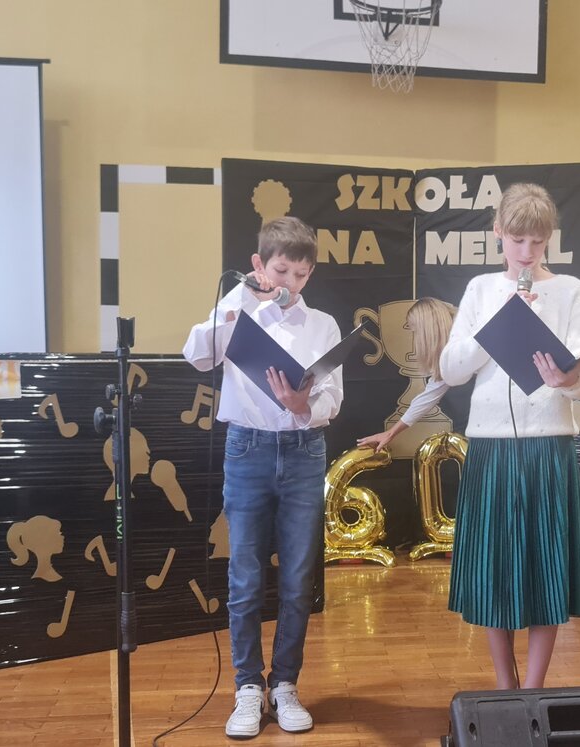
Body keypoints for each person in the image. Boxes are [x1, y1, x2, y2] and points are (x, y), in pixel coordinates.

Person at [182, 216, 343, 739]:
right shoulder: (237, 311)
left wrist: (303, 405)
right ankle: (248, 687)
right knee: (246, 577)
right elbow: (196, 354)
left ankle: (285, 685)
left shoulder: (322, 324)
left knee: (297, 579)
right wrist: (240, 297)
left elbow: (334, 396)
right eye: (280, 271)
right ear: (259, 265)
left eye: (300, 274)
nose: (289, 283)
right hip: (247, 448)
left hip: (303, 451)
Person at [438, 182, 580, 690]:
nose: (527, 252)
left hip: (549, 444)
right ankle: (505, 688)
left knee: (545, 566)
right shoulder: (480, 290)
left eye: (537, 241)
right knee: (495, 567)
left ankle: (533, 691)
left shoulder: (570, 290)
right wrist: (501, 322)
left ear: (550, 238)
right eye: (517, 240)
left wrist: (568, 379)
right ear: (497, 233)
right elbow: (451, 369)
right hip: (491, 446)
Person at [357, 297, 458, 451]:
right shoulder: (449, 356)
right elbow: (427, 398)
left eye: (416, 331)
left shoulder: (471, 334)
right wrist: (390, 433)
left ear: (427, 330)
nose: (416, 338)